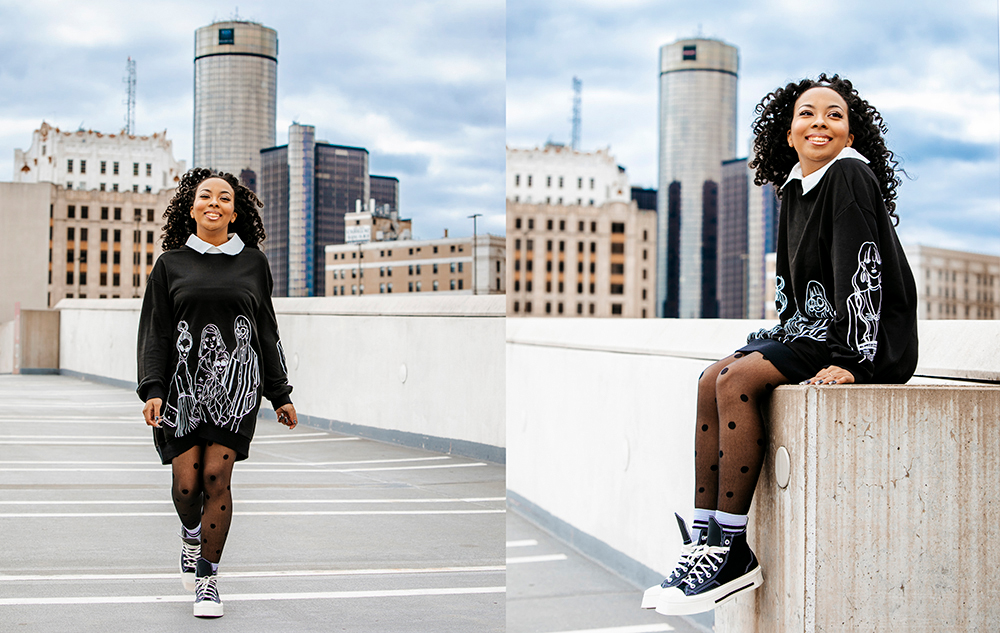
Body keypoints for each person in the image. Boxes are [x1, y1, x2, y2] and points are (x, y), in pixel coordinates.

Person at [643, 74, 918, 616]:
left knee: (740, 380)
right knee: (711, 379)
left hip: (864, 338)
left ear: (852, 134)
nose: (820, 122)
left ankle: (731, 550)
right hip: (813, 329)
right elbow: (791, 284)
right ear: (788, 133)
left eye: (835, 115)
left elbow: (862, 269)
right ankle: (704, 538)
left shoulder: (849, 176)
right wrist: (778, 333)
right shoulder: (795, 187)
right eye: (808, 114)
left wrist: (852, 364)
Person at [137, 167, 298, 618]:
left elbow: (266, 329)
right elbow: (156, 331)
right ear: (190, 208)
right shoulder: (170, 264)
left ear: (235, 210)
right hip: (179, 392)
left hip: (236, 390)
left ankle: (207, 579)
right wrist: (151, 388)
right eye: (205, 196)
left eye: (224, 198)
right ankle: (191, 534)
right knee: (187, 486)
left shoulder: (253, 262)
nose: (214, 203)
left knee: (215, 479)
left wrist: (279, 393)